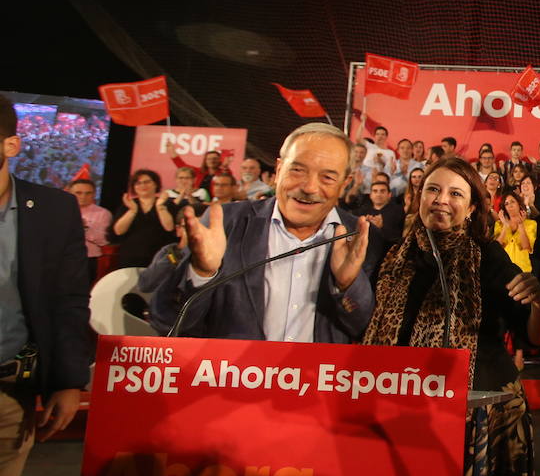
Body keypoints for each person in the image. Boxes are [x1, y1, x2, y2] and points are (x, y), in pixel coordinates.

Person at [361, 156, 540, 476]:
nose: (441, 200)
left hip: (483, 423)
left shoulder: (486, 256)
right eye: (433, 190)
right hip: (401, 418)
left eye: (455, 194)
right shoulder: (393, 253)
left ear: (471, 208)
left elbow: (534, 334)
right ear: (418, 196)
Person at [149, 122, 373, 342]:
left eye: (327, 177)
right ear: (277, 170)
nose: (309, 187)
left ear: (345, 184)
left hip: (318, 376)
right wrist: (201, 274)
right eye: (297, 170)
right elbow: (167, 321)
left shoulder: (360, 238)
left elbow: (364, 330)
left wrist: (348, 285)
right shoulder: (226, 223)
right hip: (234, 375)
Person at [0, 94, 90, 476]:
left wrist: (69, 381)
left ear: (10, 145)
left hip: (10, 398)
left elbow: (69, 299)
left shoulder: (54, 210)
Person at [110, 169, 177, 269]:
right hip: (131, 256)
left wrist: (160, 207)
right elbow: (118, 231)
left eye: (147, 182)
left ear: (155, 184)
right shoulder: (128, 205)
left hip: (160, 256)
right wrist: (132, 211)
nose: (143, 186)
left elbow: (169, 228)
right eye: (138, 183)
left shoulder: (166, 203)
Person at [67, 178, 112, 283]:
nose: (83, 197)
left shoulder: (103, 213)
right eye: (78, 193)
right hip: (60, 258)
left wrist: (85, 228)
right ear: (69, 192)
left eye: (88, 193)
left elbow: (104, 240)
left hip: (87, 260)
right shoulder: (59, 211)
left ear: (94, 194)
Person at [495, 192, 537, 274]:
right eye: (506, 204)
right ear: (504, 208)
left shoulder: (531, 224)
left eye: (512, 202)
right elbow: (497, 248)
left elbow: (526, 246)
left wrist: (521, 225)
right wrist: (505, 226)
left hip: (523, 270)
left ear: (519, 204)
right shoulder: (499, 224)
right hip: (503, 270)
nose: (510, 205)